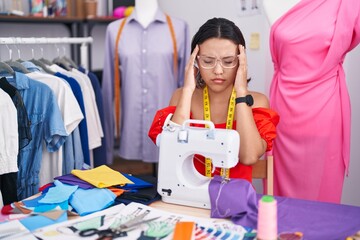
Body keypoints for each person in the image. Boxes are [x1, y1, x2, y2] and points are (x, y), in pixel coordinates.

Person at [148, 17, 279, 183]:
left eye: (229, 61)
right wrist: (188, 90)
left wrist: (241, 93)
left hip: (234, 204)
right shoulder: (182, 97)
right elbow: (171, 151)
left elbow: (250, 156)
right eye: (208, 61)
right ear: (195, 61)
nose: (218, 70)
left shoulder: (256, 102)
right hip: (188, 200)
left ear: (241, 62)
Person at [263, 0, 360, 203]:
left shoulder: (349, 4)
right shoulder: (272, 2)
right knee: (280, 197)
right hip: (284, 110)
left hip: (325, 108)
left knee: (323, 190)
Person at [102, 0, 190, 165]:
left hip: (169, 129)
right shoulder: (114, 30)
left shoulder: (179, 28)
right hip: (130, 131)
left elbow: (186, 86)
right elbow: (108, 91)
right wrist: (106, 154)